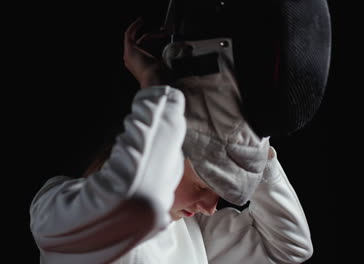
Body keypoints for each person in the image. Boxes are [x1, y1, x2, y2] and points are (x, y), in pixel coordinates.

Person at [29, 18, 313, 264]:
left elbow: (290, 247)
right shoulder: (55, 212)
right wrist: (156, 86)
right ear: (168, 145)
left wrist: (246, 141)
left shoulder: (190, 231)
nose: (212, 206)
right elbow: (135, 201)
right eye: (202, 184)